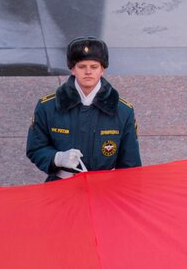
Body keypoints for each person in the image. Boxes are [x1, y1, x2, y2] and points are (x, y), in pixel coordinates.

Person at [26, 37, 141, 181]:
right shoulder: (48, 107)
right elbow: (35, 148)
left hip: (104, 191)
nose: (88, 72)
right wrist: (57, 158)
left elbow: (130, 165)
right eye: (82, 66)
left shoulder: (123, 111)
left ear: (102, 70)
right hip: (61, 188)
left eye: (94, 67)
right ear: (73, 69)